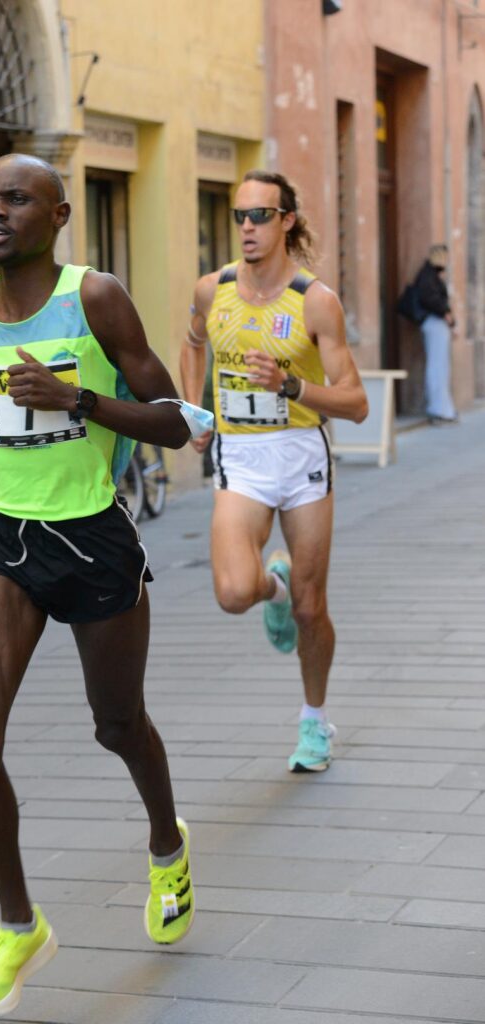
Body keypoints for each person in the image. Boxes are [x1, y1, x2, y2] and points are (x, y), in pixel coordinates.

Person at [0, 153, 197, 1018]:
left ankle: (166, 843)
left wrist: (81, 401)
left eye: (13, 199)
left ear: (59, 212)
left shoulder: (96, 297)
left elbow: (179, 424)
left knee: (117, 725)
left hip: (91, 537)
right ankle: (18, 926)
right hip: (1, 534)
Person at [180, 169, 368, 773]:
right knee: (235, 591)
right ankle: (273, 589)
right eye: (239, 216)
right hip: (241, 456)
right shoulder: (214, 291)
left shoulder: (315, 300)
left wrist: (290, 384)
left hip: (301, 456)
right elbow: (191, 341)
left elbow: (356, 402)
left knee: (314, 608)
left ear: (287, 221)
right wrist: (195, 411)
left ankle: (314, 722)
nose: (247, 228)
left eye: (260, 216)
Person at [415, 244, 458, 424]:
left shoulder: (432, 275)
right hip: (434, 323)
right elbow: (431, 299)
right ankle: (438, 409)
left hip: (436, 324)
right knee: (437, 366)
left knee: (441, 367)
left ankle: (444, 408)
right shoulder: (428, 276)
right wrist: (447, 315)